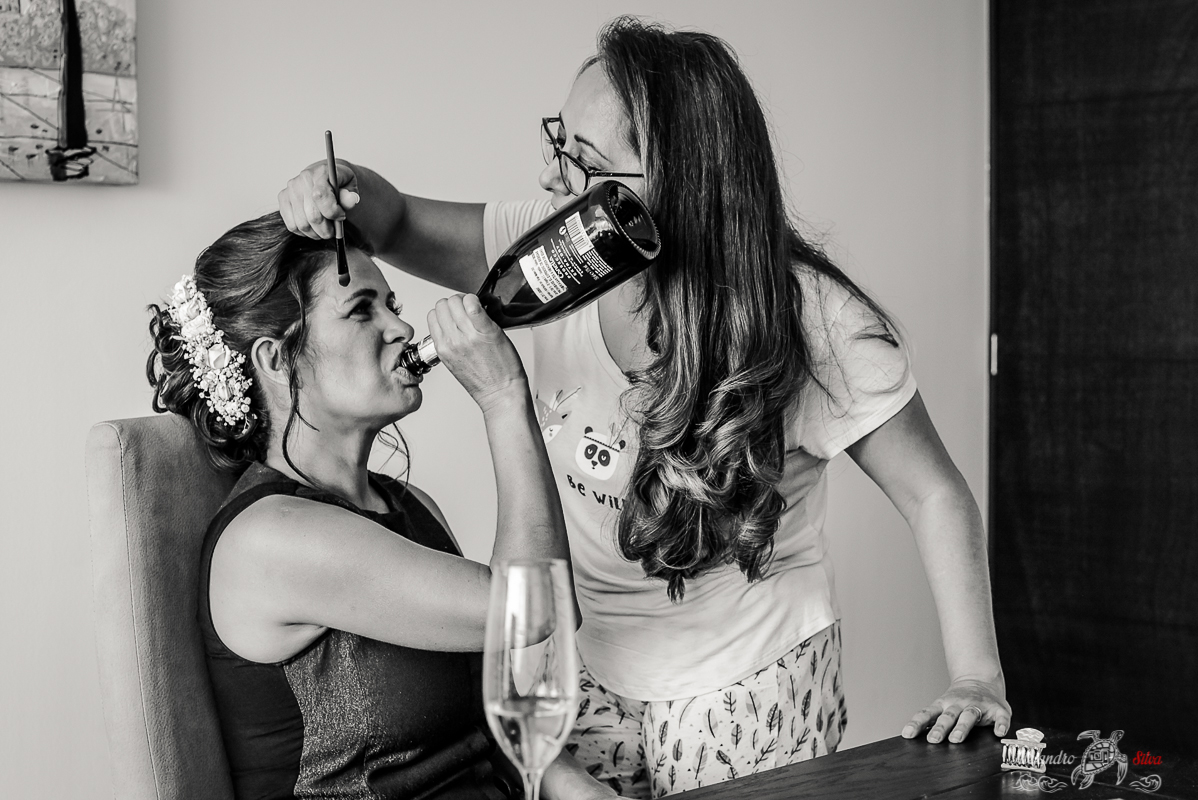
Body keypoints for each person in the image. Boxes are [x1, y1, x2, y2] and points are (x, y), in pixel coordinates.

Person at [278, 16, 1011, 798]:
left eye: (586, 164)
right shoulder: (549, 252)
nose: (554, 178)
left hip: (749, 680)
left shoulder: (810, 318)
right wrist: (337, 186)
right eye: (560, 142)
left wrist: (977, 675)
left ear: (684, 182)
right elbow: (386, 219)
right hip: (591, 670)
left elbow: (933, 493)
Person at [146, 213, 616, 800]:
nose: (402, 327)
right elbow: (536, 609)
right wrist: (502, 397)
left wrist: (583, 789)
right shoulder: (274, 538)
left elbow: (496, 709)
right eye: (362, 310)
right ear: (276, 360)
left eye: (392, 305)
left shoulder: (411, 506)